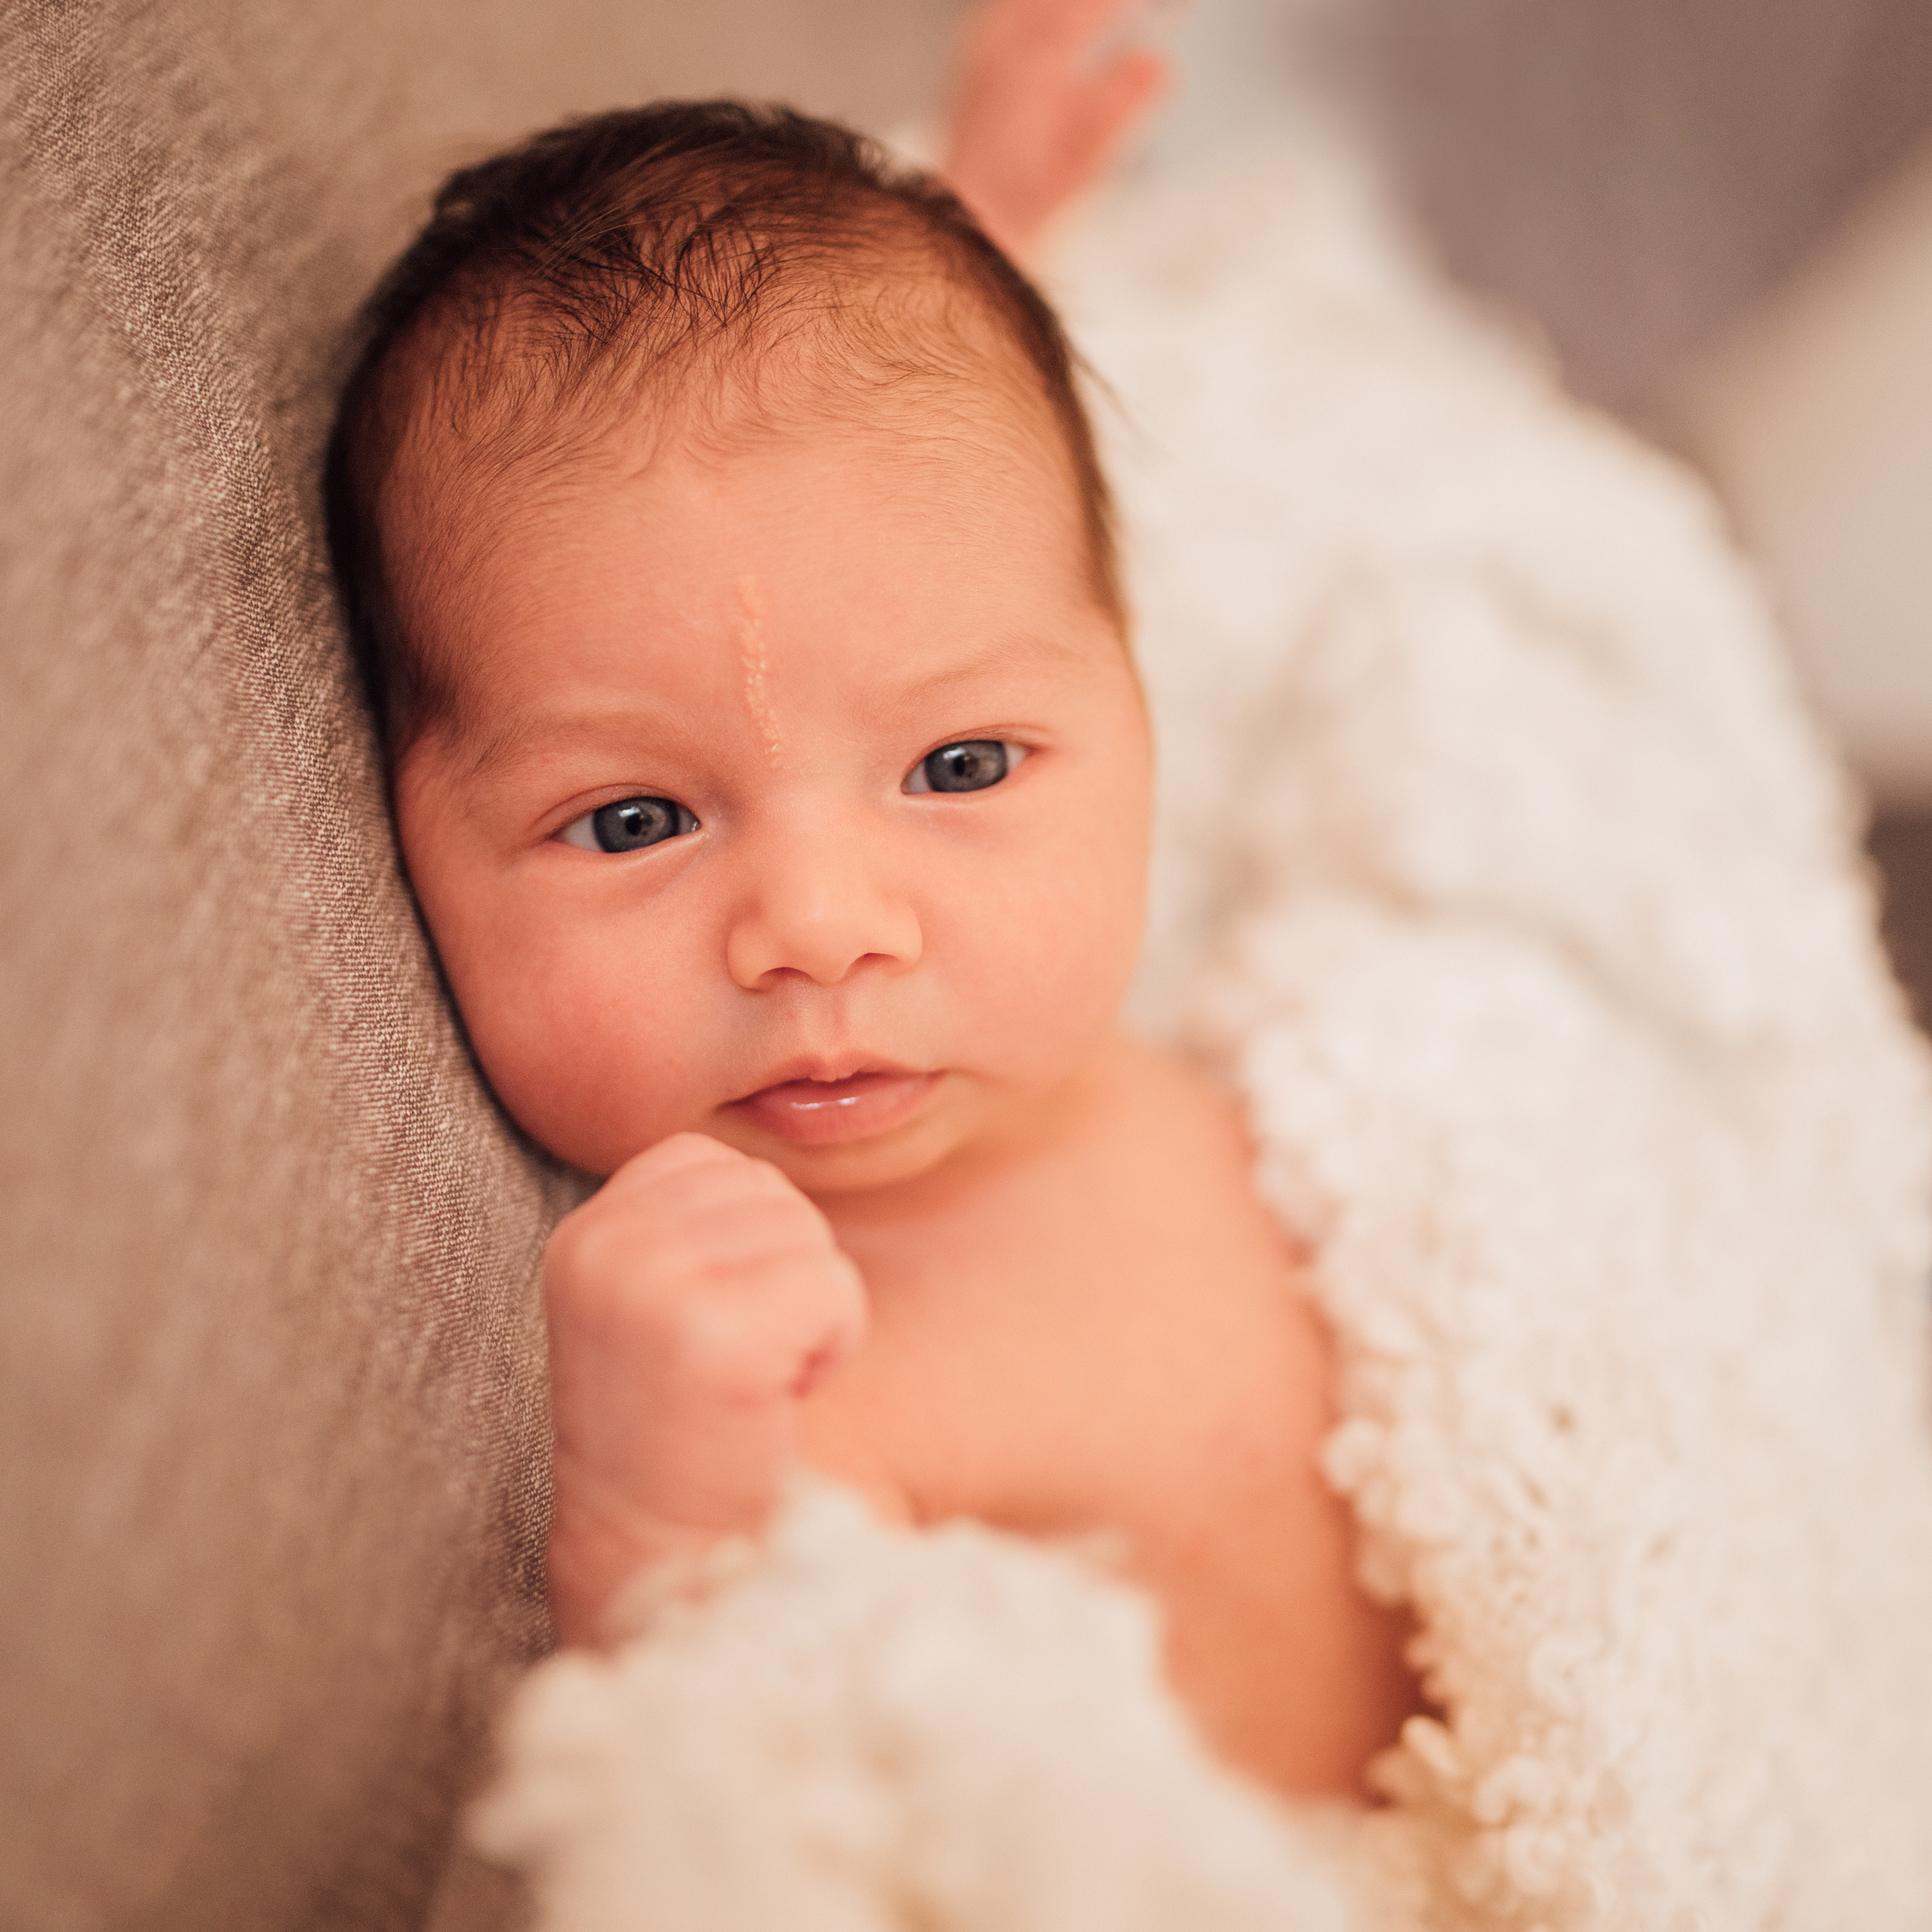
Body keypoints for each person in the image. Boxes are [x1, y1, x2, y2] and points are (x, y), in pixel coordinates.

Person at [325, 0, 1423, 1805]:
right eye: (633, 819)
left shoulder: (1209, 1000)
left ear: (1136, 702)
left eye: (960, 766)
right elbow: (744, 1810)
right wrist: (655, 1523)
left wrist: (987, 234)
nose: (825, 928)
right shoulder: (776, 1383)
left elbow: (918, 519)